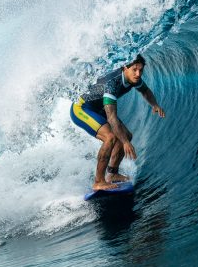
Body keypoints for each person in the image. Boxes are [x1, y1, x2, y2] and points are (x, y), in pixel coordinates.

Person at [70, 54, 165, 190]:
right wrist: (125, 142)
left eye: (140, 70)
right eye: (134, 70)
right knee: (111, 138)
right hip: (81, 108)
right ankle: (99, 181)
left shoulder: (134, 79)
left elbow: (145, 91)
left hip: (98, 108)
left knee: (127, 135)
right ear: (125, 67)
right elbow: (112, 117)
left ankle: (112, 174)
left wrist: (155, 104)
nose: (138, 74)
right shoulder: (112, 83)